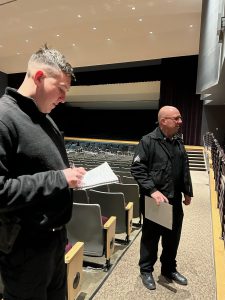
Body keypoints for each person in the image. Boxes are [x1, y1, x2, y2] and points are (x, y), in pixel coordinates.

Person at [0, 45, 86, 300]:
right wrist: (59, 178)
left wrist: (67, 174)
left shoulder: (44, 117)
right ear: (39, 77)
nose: (63, 98)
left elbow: (43, 169)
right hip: (23, 249)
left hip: (55, 241)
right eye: (61, 89)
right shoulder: (4, 118)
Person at [131, 105, 193, 290]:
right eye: (177, 118)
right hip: (154, 201)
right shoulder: (148, 141)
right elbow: (137, 169)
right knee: (150, 238)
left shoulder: (178, 142)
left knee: (172, 238)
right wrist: (152, 190)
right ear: (164, 121)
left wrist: (187, 190)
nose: (180, 121)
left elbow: (184, 168)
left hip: (174, 201)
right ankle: (146, 270)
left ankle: (168, 269)